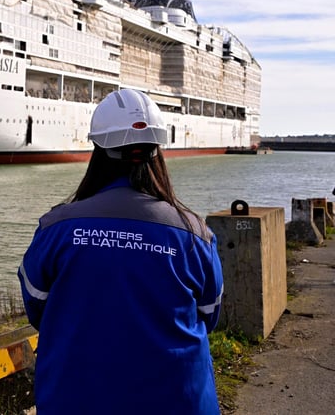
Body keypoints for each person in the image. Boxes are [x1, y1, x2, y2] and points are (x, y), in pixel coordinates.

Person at [18, 88, 224, 414]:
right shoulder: (196, 235)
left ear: (97, 149)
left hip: (76, 399)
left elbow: (36, 308)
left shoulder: (56, 228)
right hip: (178, 401)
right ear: (158, 151)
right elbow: (209, 315)